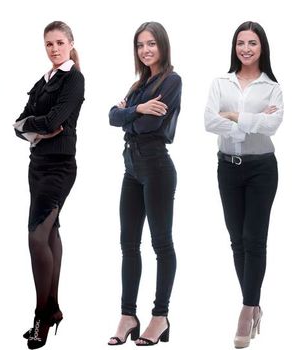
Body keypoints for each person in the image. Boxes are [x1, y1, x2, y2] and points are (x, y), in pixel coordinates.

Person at [203, 21, 281, 349]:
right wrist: (248, 122)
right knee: (237, 241)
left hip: (262, 169)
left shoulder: (272, 87)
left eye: (252, 43)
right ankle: (254, 303)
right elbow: (209, 120)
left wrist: (233, 117)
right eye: (240, 43)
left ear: (262, 47)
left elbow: (273, 125)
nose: (246, 49)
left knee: (254, 239)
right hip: (228, 169)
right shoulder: (220, 82)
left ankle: (247, 311)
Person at [106, 21, 181, 347]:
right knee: (128, 244)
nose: (145, 50)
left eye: (151, 43)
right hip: (131, 169)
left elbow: (152, 123)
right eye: (140, 45)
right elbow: (111, 116)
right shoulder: (140, 85)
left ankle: (160, 316)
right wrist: (137, 108)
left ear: (162, 46)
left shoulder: (172, 80)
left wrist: (130, 116)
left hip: (157, 168)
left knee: (161, 245)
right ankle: (127, 315)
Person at [12, 20, 84, 350]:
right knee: (50, 232)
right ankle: (53, 308)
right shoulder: (44, 82)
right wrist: (35, 126)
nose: (54, 49)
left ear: (70, 44)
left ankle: (41, 314)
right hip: (36, 166)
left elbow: (55, 122)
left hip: (59, 167)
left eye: (59, 43)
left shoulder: (74, 79)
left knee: (36, 236)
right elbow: (18, 123)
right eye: (49, 44)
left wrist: (34, 126)